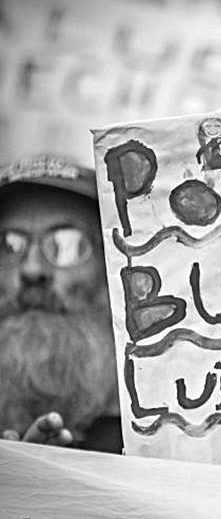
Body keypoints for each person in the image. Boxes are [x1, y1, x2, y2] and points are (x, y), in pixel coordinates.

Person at [0, 154, 122, 453]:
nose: (32, 269)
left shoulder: (159, 440)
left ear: (111, 265)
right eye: (8, 244)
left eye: (68, 244)